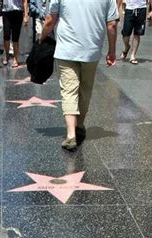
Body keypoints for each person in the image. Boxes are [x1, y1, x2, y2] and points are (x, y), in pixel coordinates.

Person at [40, 0, 119, 151]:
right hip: (92, 50)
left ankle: (71, 135)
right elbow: (112, 24)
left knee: (69, 91)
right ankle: (80, 124)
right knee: (85, 89)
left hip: (66, 49)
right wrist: (112, 50)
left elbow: (50, 20)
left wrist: (42, 37)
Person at [2, 0, 29, 67]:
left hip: (17, 11)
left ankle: (15, 59)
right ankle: (7, 55)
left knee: (15, 37)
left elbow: (25, 1)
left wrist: (26, 15)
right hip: (6, 11)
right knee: (6, 35)